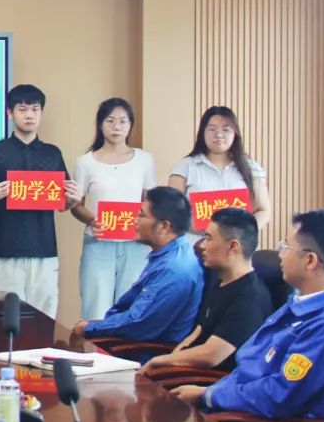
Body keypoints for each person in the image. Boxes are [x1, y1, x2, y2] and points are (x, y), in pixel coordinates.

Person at [173, 209, 324, 422]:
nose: (280, 254)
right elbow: (250, 364)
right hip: (235, 413)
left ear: (310, 260)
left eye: (286, 247)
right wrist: (210, 393)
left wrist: (208, 395)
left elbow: (279, 395)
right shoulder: (299, 302)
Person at [0, 84, 80, 318]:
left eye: (35, 109)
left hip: (44, 249)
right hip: (6, 249)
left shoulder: (52, 153)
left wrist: (72, 200)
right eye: (22, 109)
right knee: (4, 317)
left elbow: (61, 203)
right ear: (10, 112)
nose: (29, 115)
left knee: (44, 317)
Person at [142, 208, 272, 374]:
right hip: (186, 373)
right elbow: (199, 331)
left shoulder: (250, 298)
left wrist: (158, 361)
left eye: (208, 238)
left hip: (215, 382)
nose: (202, 245)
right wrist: (171, 358)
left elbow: (212, 355)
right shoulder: (221, 282)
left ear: (233, 246)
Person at [71, 186, 203, 343]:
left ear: (164, 226)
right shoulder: (167, 255)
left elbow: (139, 324)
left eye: (141, 215)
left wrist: (89, 328)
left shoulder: (174, 269)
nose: (134, 220)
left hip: (148, 351)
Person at [71, 98, 156, 320]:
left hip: (135, 244)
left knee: (130, 310)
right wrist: (92, 220)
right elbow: (75, 205)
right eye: (110, 121)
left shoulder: (144, 160)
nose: (116, 126)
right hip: (98, 243)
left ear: (130, 125)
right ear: (100, 125)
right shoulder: (85, 162)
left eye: (123, 121)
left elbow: (149, 201)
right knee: (96, 310)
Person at [168, 106, 271, 230]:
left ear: (235, 134)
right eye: (212, 129)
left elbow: (263, 210)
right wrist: (211, 233)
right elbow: (171, 211)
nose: (219, 134)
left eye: (226, 129)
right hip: (196, 240)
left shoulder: (251, 168)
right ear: (202, 133)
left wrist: (244, 232)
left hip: (238, 241)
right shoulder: (184, 167)